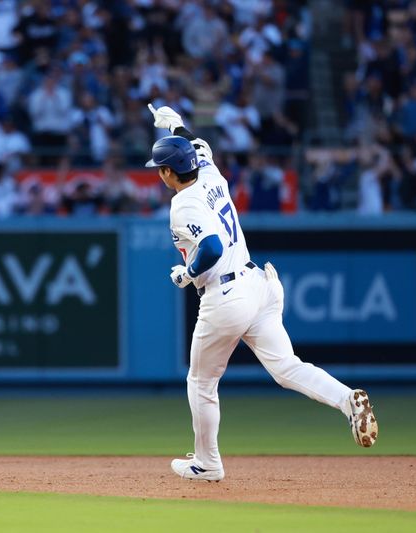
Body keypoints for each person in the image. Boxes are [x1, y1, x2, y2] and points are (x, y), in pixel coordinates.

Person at [144, 104, 378, 482]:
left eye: (161, 169)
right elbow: (194, 145)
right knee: (287, 367)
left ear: (170, 172)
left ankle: (207, 463)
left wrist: (187, 274)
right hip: (259, 285)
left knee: (201, 382)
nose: (160, 175)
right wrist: (175, 124)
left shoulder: (181, 203)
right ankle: (347, 400)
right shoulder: (208, 169)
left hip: (226, 296)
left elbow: (213, 248)